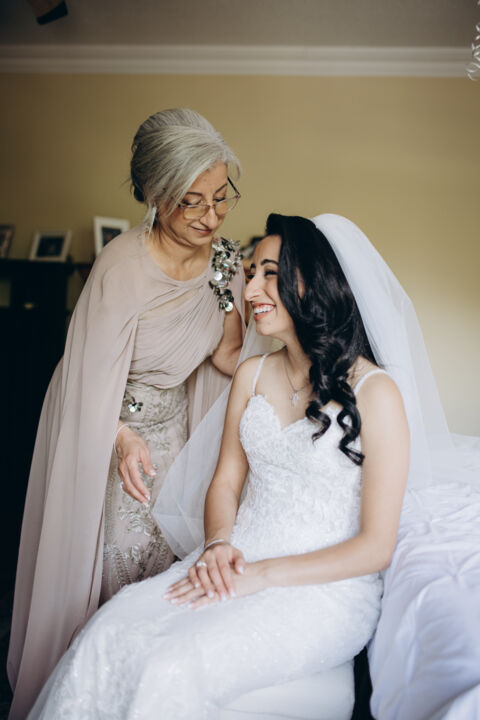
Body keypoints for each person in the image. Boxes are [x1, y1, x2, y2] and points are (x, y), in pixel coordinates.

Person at [27, 213, 410, 719]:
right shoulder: (252, 374)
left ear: (312, 281)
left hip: (323, 588)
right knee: (106, 632)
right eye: (250, 273)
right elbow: (226, 483)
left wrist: (260, 575)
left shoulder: (376, 392)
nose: (250, 290)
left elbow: (377, 547)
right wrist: (216, 546)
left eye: (269, 273)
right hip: (233, 557)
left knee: (169, 666)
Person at [8, 108, 245, 720]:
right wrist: (119, 437)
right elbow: (82, 379)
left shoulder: (224, 261)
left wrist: (283, 360)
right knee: (115, 578)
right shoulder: (121, 267)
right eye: (193, 202)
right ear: (155, 196)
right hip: (114, 438)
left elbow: (225, 357)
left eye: (222, 197)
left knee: (171, 579)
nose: (212, 217)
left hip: (181, 439)